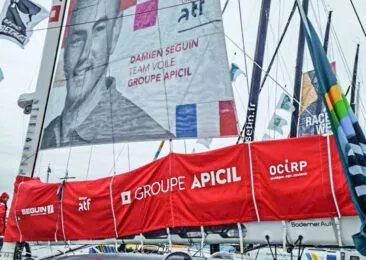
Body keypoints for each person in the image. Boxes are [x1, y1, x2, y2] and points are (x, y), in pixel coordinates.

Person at [41, 0, 172, 149]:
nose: (84, 55)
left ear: (115, 32)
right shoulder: (46, 134)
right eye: (77, 39)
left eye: (99, 30)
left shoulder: (148, 130)